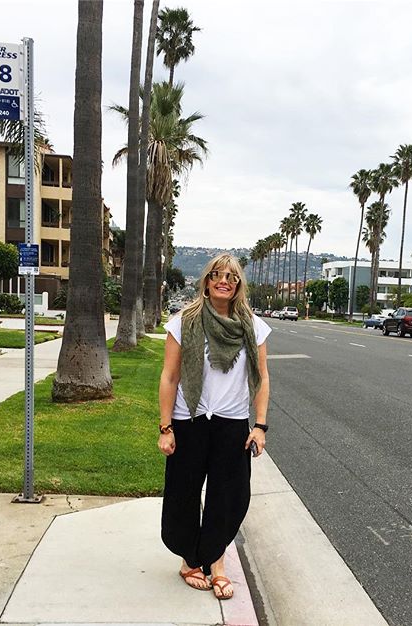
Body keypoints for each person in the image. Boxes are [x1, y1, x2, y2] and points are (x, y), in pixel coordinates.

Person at [158, 253, 271, 600]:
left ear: (238, 285)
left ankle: (216, 563)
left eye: (231, 277)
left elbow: (262, 377)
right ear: (206, 281)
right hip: (189, 421)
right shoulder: (184, 321)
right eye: (217, 275)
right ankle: (190, 561)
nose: (224, 281)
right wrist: (166, 428)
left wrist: (260, 425)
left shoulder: (252, 326)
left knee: (228, 498)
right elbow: (170, 375)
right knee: (183, 493)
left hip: (231, 424)